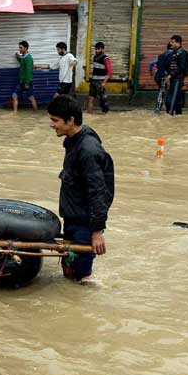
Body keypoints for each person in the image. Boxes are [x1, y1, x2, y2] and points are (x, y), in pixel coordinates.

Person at [47, 95, 114, 283]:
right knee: (70, 273)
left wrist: (97, 231)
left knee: (83, 277)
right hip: (73, 219)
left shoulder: (88, 150)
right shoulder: (74, 142)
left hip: (84, 225)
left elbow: (98, 191)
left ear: (70, 121)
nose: (51, 124)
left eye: (55, 120)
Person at [164, 35, 188, 116]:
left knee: (171, 100)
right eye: (170, 42)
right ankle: (178, 117)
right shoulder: (174, 53)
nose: (170, 43)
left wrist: (170, 75)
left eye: (172, 42)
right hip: (174, 79)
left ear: (178, 43)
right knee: (177, 99)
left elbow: (181, 67)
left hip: (177, 79)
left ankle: (169, 117)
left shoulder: (181, 53)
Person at [11, 40, 41, 112]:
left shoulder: (28, 58)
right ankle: (15, 113)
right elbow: (22, 62)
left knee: (31, 98)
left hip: (26, 82)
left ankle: (36, 113)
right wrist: (18, 57)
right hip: (22, 81)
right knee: (14, 95)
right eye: (19, 48)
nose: (19, 49)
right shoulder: (24, 57)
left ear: (26, 48)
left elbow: (29, 71)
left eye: (21, 48)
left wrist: (27, 83)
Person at [86, 42, 111, 114]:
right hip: (93, 81)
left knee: (103, 101)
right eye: (96, 49)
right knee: (90, 99)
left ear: (102, 49)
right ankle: (89, 115)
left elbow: (109, 72)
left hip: (100, 82)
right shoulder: (95, 57)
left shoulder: (105, 59)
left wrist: (104, 82)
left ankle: (105, 116)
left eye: (98, 49)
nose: (97, 51)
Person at [148, 43, 173, 113]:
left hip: (158, 76)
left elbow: (151, 63)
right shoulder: (172, 55)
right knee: (163, 91)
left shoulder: (161, 55)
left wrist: (150, 71)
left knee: (161, 91)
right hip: (164, 76)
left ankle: (161, 107)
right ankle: (158, 109)